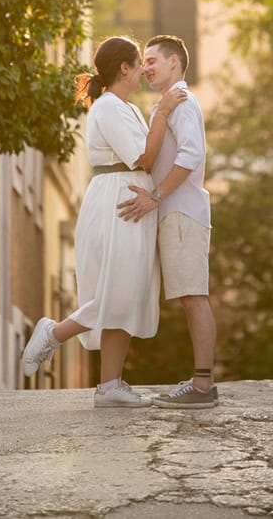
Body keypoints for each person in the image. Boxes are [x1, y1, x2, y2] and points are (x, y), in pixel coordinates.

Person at [21, 35, 186, 408]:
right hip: (116, 201)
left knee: (128, 293)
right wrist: (162, 113)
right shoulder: (109, 107)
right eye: (138, 63)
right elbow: (142, 157)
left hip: (131, 201)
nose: (144, 70)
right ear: (123, 68)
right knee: (116, 291)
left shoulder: (126, 108)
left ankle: (109, 385)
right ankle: (53, 333)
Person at [118, 35, 218, 409]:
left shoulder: (182, 101)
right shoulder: (168, 104)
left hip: (180, 213)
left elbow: (192, 155)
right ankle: (202, 382)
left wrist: (155, 196)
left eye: (152, 60)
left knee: (194, 298)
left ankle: (203, 386)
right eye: (143, 61)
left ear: (175, 62)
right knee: (190, 297)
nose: (145, 68)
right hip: (174, 215)